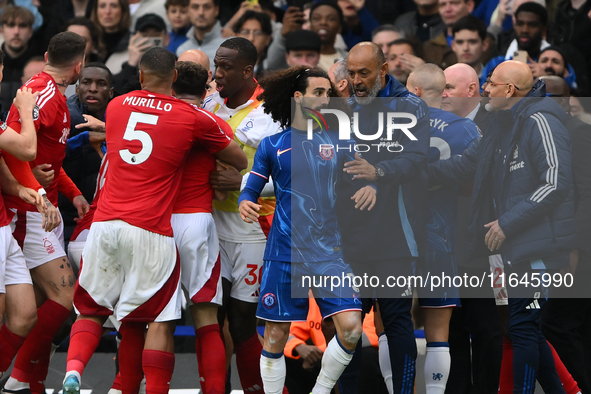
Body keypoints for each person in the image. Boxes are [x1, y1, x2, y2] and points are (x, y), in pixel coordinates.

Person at [60, 47, 246, 394]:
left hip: (126, 220)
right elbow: (239, 160)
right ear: (205, 86)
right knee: (201, 319)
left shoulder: (118, 107)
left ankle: (118, 384)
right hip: (183, 223)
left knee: (131, 317)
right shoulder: (201, 120)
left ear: (143, 76)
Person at [427, 60, 574, 394]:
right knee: (527, 330)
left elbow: (555, 183)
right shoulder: (499, 124)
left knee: (521, 328)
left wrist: (507, 223)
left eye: (490, 82)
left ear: (509, 90)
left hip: (537, 248)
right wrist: (405, 171)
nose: (485, 88)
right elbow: (463, 166)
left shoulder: (540, 119)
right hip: (513, 248)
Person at [238, 66, 375, 394]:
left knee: (352, 329)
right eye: (318, 92)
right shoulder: (272, 145)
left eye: (327, 93)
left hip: (329, 252)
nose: (325, 98)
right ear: (298, 98)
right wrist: (245, 201)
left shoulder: (339, 140)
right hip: (283, 251)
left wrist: (372, 186)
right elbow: (252, 187)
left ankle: (322, 390)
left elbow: (366, 173)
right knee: (275, 336)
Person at [0, 32, 91, 394]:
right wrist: (36, 191)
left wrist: (71, 192)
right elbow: (21, 150)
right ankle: (21, 378)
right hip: (28, 213)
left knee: (31, 310)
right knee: (63, 297)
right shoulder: (44, 95)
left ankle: (27, 381)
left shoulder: (48, 92)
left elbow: (46, 158)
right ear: (79, 66)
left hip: (40, 206)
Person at [342, 41, 430, 393]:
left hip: (394, 235)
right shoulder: (342, 107)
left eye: (364, 73)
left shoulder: (410, 107)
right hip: (348, 238)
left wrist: (378, 173)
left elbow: (416, 160)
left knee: (395, 321)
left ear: (382, 71)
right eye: (351, 73)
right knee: (348, 325)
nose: (356, 81)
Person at [202, 37, 282, 394]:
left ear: (248, 70)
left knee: (243, 322)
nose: (217, 74)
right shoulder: (210, 102)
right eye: (216, 65)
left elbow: (293, 176)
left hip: (253, 230)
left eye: (226, 67)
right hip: (212, 228)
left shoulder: (273, 111)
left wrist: (243, 182)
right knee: (212, 319)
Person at [170, 60, 232, 394]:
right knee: (207, 319)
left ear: (172, 82)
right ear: (206, 84)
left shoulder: (157, 120)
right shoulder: (213, 122)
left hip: (158, 224)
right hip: (198, 220)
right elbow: (232, 166)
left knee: (158, 320)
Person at [539, 75, 591, 394]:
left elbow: (587, 192)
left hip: (579, 253)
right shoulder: (556, 133)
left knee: (557, 326)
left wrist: (575, 247)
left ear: (562, 101)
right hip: (569, 247)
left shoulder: (579, 134)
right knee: (577, 328)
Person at [60, 63, 114, 242]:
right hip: (66, 217)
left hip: (107, 218)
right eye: (86, 82)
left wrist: (110, 132)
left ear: (111, 92)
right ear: (76, 89)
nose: (93, 89)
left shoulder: (124, 120)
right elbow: (50, 155)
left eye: (101, 84)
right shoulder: (67, 119)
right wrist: (81, 139)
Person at [481, 3, 549, 83]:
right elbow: (482, 92)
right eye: (520, 24)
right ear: (514, 25)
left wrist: (547, 80)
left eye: (532, 25)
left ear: (543, 30)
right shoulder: (496, 62)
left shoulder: (554, 63)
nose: (524, 30)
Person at [0, 6, 45, 111]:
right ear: (2, 30)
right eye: (11, 25)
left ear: (30, 32)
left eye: (22, 26)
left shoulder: (42, 64)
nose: (16, 31)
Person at [176, 0, 228, 71]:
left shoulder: (231, 48)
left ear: (216, 10)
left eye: (206, 7)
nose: (201, 13)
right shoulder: (181, 50)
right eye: (195, 7)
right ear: (188, 10)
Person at [422, 0, 474, 68]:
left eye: (454, 3)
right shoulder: (429, 47)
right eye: (443, 5)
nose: (448, 9)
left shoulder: (487, 42)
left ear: (469, 5)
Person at [90, 0, 132, 65]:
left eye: (114, 6)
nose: (107, 11)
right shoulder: (89, 43)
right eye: (102, 6)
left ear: (123, 10)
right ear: (96, 11)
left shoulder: (133, 44)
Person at [309, 1, 347, 72]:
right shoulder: (298, 58)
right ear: (310, 25)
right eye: (317, 18)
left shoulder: (349, 59)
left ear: (339, 27)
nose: (323, 22)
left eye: (331, 19)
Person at [450, 15, 490, 82]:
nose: (466, 48)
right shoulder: (443, 82)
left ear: (484, 45)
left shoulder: (494, 81)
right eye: (460, 42)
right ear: (453, 46)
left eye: (472, 42)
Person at [234, 10, 273, 75]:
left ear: (267, 39)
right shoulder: (225, 69)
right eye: (245, 32)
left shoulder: (273, 69)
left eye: (258, 33)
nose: (251, 38)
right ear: (236, 36)